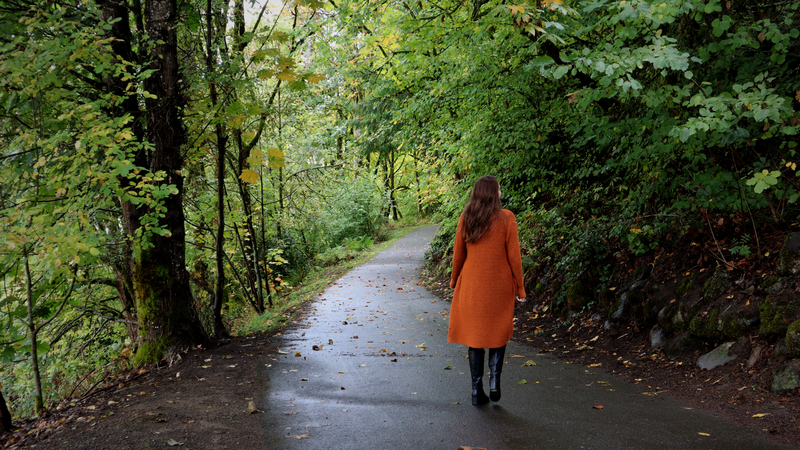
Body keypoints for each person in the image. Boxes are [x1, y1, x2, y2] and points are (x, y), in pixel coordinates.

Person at [448, 175, 526, 405]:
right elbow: (515, 257)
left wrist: (454, 281)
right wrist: (520, 287)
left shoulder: (467, 218)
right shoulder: (506, 218)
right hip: (499, 285)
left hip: (472, 285)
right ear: (493, 193)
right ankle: (494, 382)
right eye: (499, 189)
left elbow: (458, 254)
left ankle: (475, 390)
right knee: (497, 332)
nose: (501, 192)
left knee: (475, 335)